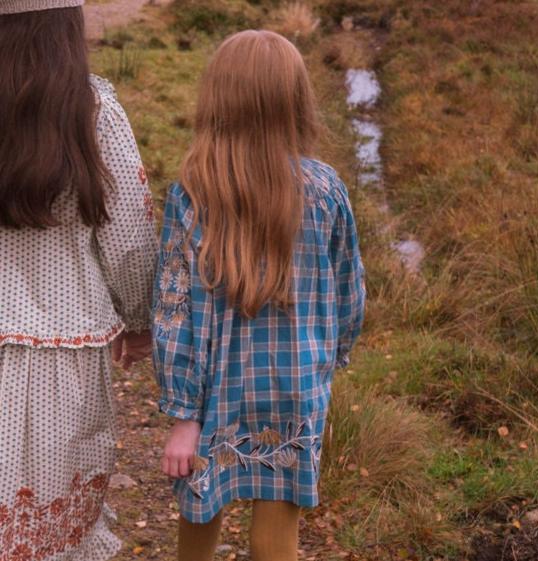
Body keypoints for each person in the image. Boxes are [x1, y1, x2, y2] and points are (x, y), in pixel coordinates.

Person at [153, 30, 366, 561]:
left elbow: (174, 313)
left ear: (218, 99)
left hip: (214, 394)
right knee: (279, 521)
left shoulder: (193, 194)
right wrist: (329, 360)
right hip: (297, 386)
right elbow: (350, 292)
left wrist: (184, 414)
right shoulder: (326, 190)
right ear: (294, 100)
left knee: (200, 509)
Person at [0, 2, 158, 559]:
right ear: (68, 26)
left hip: (52, 348)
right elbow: (131, 235)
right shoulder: (93, 110)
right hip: (60, 357)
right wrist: (139, 321)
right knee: (51, 525)